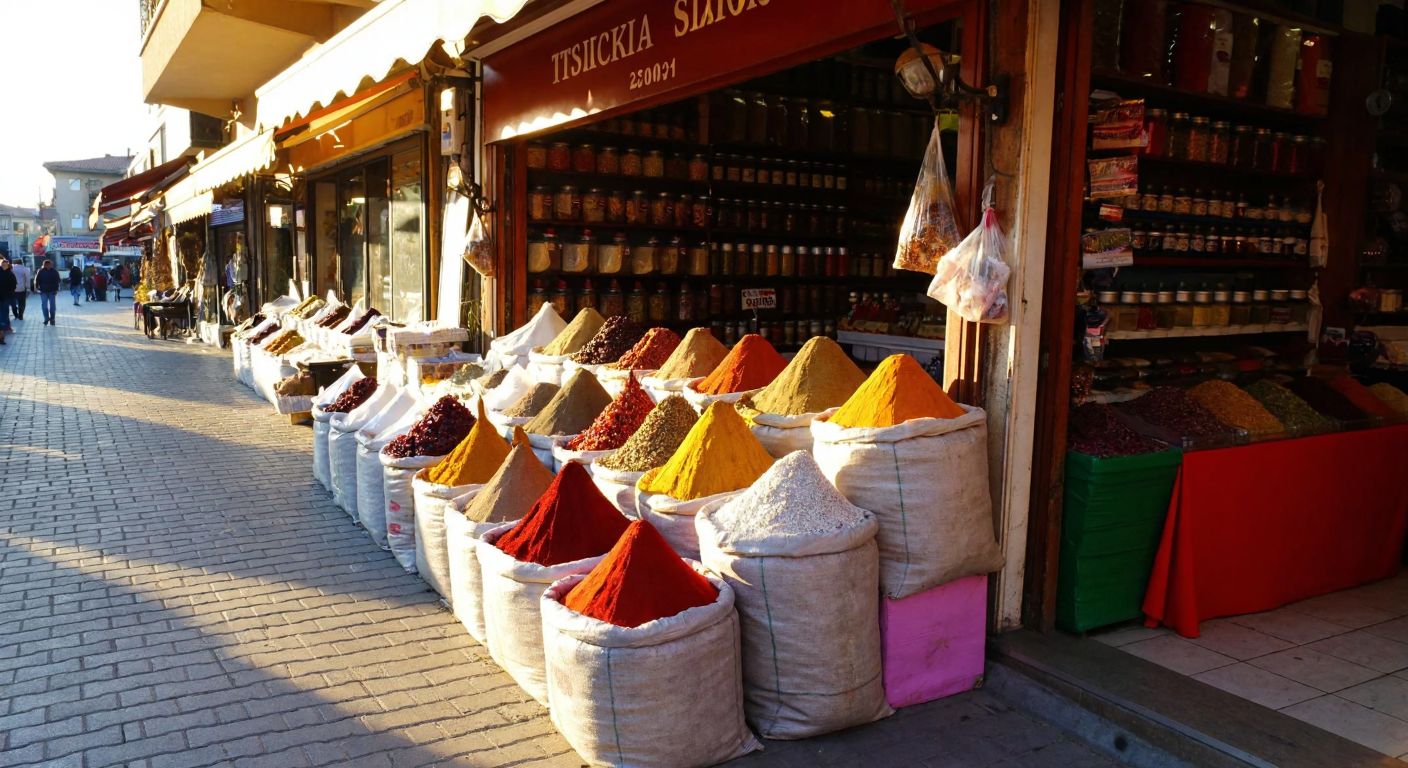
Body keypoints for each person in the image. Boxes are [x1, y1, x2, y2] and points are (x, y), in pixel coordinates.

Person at [34, 259, 60, 326]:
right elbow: (36, 280)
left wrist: (56, 289)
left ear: (51, 265)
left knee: (52, 307)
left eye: (50, 264)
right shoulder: (40, 271)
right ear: (44, 265)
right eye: (47, 264)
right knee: (44, 306)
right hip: (43, 291)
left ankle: (52, 319)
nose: (48, 266)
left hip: (52, 291)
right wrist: (37, 288)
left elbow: (58, 281)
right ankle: (46, 318)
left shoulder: (54, 271)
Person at [0, 259, 15, 344]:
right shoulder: (9, 273)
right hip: (3, 297)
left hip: (6, 297)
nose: (4, 266)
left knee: (5, 312)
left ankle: (5, 327)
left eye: (6, 264)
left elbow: (13, 285)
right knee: (3, 313)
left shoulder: (10, 274)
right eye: (3, 264)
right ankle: (3, 329)